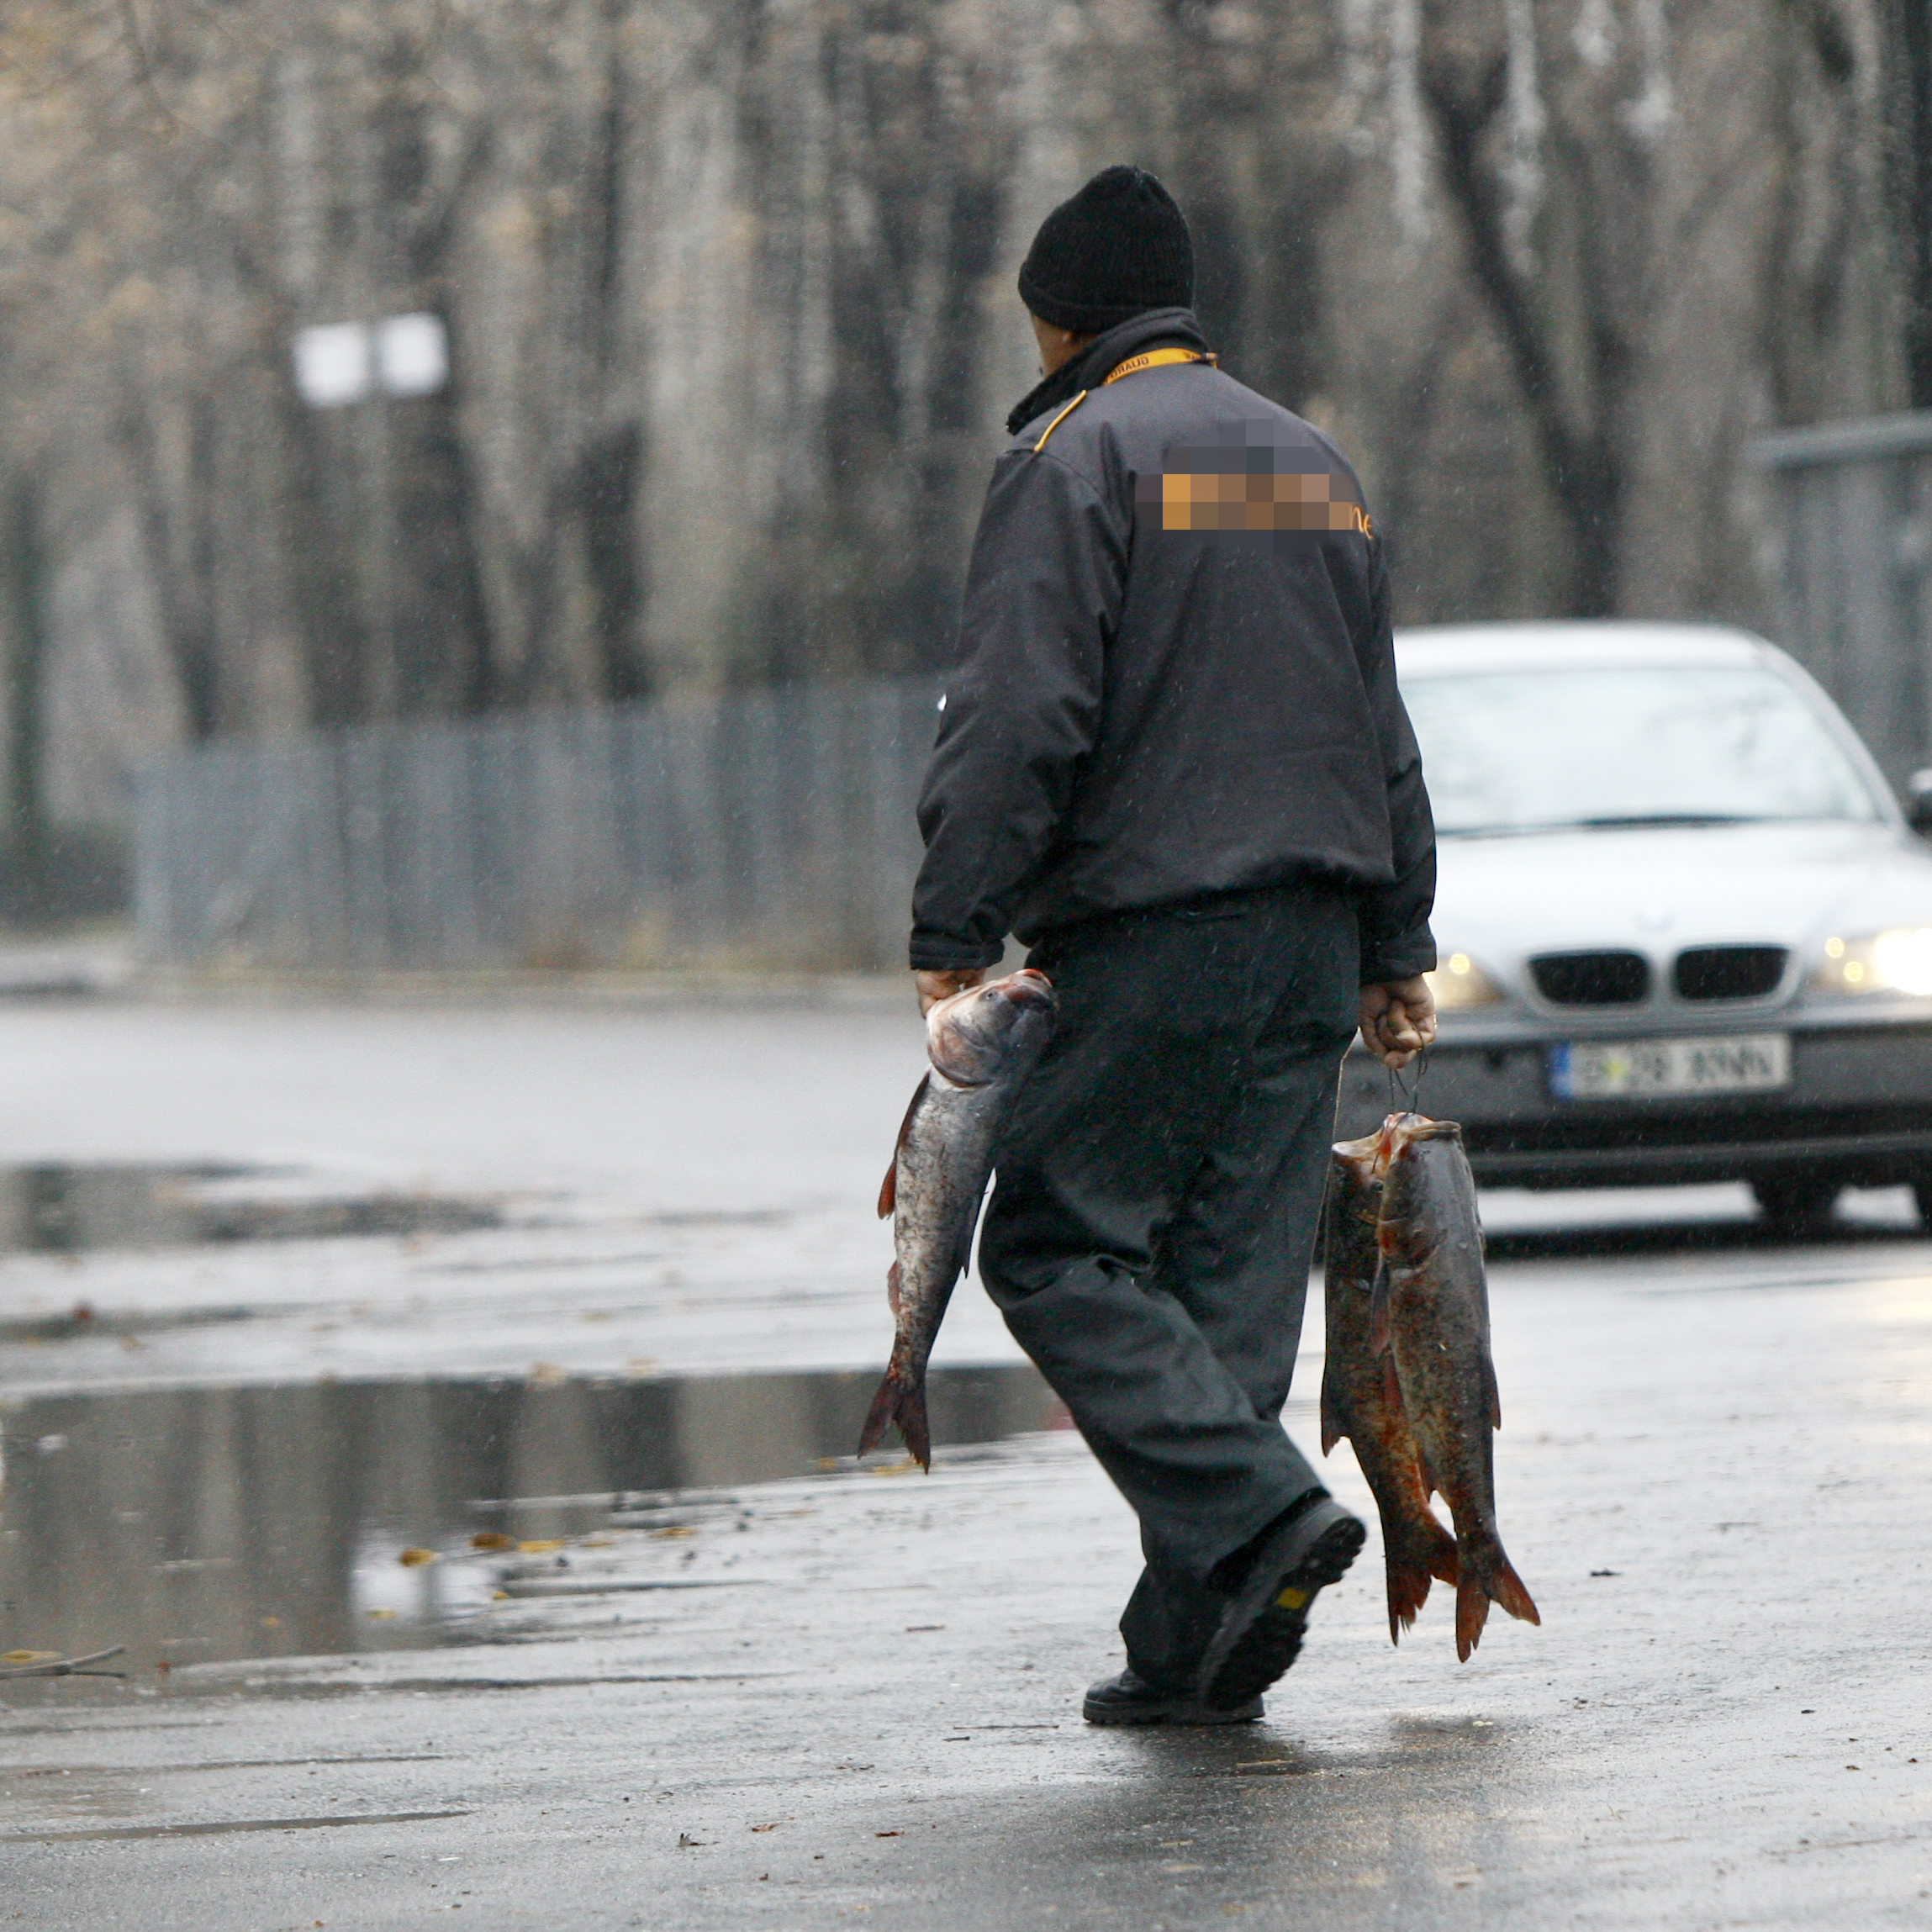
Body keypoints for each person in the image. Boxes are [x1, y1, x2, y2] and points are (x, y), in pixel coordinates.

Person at [908, 162, 1438, 1725]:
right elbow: (1378, 720)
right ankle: (1194, 1640)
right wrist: (1395, 929)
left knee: (1056, 1245)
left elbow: (1019, 713)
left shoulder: (1076, 458)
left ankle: (1263, 1524)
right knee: (1226, 1282)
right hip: (1308, 935)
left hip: (1153, 925)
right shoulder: (1305, 462)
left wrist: (951, 924)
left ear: (1058, 316)